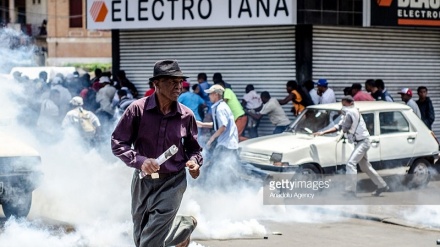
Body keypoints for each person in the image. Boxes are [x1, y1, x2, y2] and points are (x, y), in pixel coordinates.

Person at [111, 60, 202, 247]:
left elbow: (194, 148)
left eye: (180, 82)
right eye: (172, 82)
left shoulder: (186, 115)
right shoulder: (137, 109)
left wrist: (194, 162)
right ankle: (182, 227)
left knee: (149, 242)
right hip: (143, 181)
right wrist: (140, 161)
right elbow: (118, 142)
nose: (178, 86)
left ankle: (174, 228)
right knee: (141, 238)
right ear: (156, 83)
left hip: (173, 181)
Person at [313, 95, 389, 197]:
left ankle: (351, 191)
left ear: (349, 103)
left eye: (343, 104)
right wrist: (323, 132)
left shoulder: (351, 112)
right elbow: (339, 126)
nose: (342, 106)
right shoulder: (348, 113)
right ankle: (382, 185)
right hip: (359, 142)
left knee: (350, 164)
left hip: (363, 142)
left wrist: (337, 130)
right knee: (365, 166)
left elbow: (344, 127)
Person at [196, 84, 240, 186]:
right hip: (227, 144)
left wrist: (211, 139)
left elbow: (223, 127)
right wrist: (202, 124)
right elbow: (218, 125)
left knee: (214, 168)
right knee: (225, 169)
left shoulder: (220, 108)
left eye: (210, 94)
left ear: (216, 94)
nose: (209, 96)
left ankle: (212, 190)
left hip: (226, 144)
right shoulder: (221, 106)